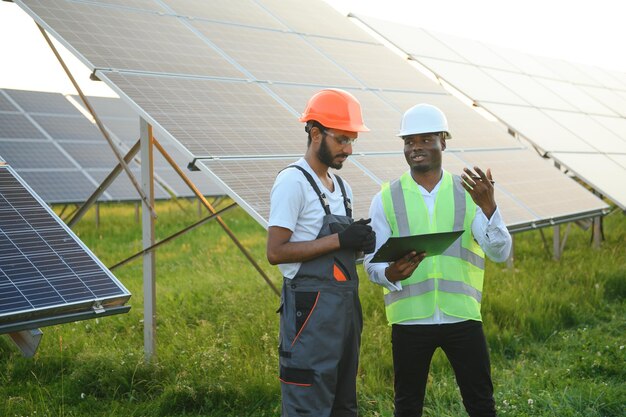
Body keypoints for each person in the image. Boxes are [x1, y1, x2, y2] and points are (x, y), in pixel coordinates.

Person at [364, 103, 512, 417]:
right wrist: (390, 271)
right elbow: (371, 264)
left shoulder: (469, 193)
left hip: (463, 317)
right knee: (407, 405)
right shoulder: (386, 198)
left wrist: (489, 209)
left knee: (481, 403)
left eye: (425, 139)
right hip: (410, 319)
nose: (416, 147)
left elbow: (500, 252)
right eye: (409, 141)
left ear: (443, 142)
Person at [266, 88, 376, 417]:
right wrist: (339, 241)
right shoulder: (292, 182)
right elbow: (275, 251)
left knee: (343, 406)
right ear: (316, 134)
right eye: (342, 139)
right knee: (308, 407)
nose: (349, 149)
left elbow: (337, 258)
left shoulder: (343, 188)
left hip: (344, 317)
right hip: (309, 318)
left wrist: (361, 246)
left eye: (352, 140)